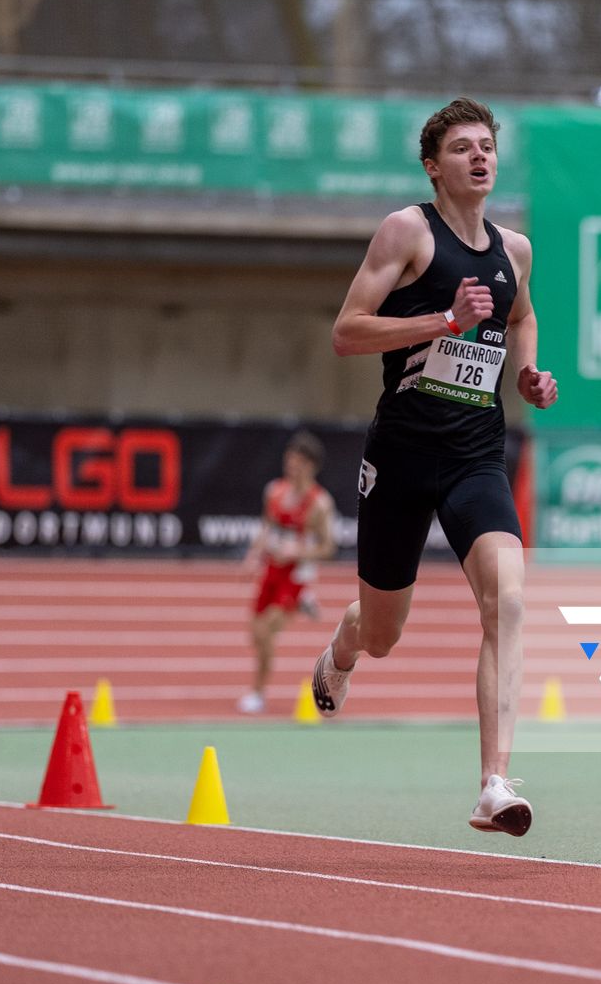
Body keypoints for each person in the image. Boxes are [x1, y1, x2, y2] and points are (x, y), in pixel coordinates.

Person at [313, 97, 558, 837]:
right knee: (384, 632)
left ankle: (493, 783)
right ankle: (341, 651)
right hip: (402, 456)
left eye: (487, 146)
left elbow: (521, 315)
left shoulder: (514, 250)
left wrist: (528, 371)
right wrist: (442, 322)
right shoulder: (407, 232)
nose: (479, 158)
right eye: (462, 148)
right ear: (433, 165)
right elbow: (347, 333)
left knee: (507, 599)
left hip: (475, 454)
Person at [238, 431, 336, 714]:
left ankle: (257, 692)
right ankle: (305, 602)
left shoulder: (319, 504)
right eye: (290, 459)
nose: (292, 465)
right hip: (272, 569)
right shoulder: (274, 491)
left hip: (295, 576)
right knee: (255, 634)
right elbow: (267, 527)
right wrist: (252, 558)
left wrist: (296, 552)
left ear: (312, 466)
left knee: (267, 632)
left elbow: (328, 547)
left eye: (299, 462)